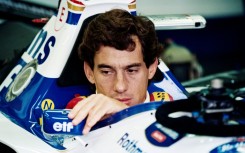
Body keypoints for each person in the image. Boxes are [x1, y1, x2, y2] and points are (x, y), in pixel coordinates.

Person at [68, 9, 163, 135]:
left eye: (132, 70)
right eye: (107, 72)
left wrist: (125, 114)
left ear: (151, 68)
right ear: (89, 72)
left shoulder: (171, 110)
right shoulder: (76, 112)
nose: (120, 86)